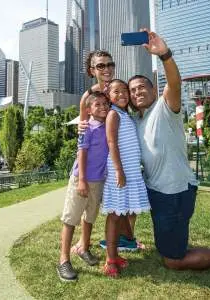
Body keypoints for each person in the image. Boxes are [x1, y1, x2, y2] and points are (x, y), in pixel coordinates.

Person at [128, 29, 210, 271]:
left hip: (174, 191)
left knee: (173, 261)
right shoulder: (137, 121)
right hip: (157, 191)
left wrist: (164, 55)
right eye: (133, 90)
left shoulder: (165, 108)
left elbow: (174, 84)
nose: (137, 92)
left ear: (154, 90)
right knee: (168, 247)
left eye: (142, 87)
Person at [74, 50, 141, 254]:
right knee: (91, 204)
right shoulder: (90, 95)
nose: (106, 69)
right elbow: (83, 127)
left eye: (110, 64)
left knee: (127, 200)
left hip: (120, 155)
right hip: (97, 157)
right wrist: (80, 127)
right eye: (101, 65)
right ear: (91, 70)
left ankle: (126, 239)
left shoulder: (120, 89)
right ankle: (83, 243)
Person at [57, 91, 110, 282]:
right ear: (88, 110)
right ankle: (63, 260)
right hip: (82, 178)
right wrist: (82, 180)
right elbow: (82, 152)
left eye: (105, 103)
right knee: (71, 218)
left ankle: (84, 248)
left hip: (98, 180)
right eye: (97, 104)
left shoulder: (108, 126)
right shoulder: (87, 127)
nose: (103, 107)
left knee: (90, 217)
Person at [102, 79, 150, 277]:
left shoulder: (125, 115)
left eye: (124, 91)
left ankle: (117, 253)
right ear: (108, 96)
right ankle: (110, 259)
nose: (122, 94)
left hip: (130, 172)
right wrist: (118, 170)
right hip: (120, 173)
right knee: (114, 216)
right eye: (116, 91)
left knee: (121, 214)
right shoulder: (113, 114)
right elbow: (112, 143)